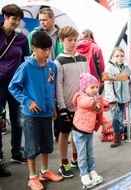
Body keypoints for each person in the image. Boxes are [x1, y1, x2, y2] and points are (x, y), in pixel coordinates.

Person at [8, 31, 63, 190]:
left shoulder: (52, 65)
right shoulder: (25, 66)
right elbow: (13, 87)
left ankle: (44, 172)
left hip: (47, 112)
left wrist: (53, 107)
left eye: (49, 49)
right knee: (32, 146)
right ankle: (32, 177)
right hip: (31, 115)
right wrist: (28, 101)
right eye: (43, 49)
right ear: (34, 47)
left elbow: (51, 87)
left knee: (46, 144)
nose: (47, 53)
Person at [54, 26, 89, 178]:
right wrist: (62, 107)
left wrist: (90, 98)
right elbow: (58, 86)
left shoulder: (83, 58)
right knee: (64, 133)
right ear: (61, 41)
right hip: (66, 104)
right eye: (69, 40)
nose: (73, 43)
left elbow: (87, 80)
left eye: (75, 40)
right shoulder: (59, 61)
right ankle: (63, 162)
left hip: (81, 104)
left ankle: (76, 158)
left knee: (78, 133)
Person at [0, 4, 29, 177]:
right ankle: (0, 158)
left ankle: (17, 152)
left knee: (17, 120)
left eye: (18, 19)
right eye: (13, 19)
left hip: (16, 85)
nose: (16, 22)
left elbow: (26, 61)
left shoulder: (21, 38)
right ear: (4, 16)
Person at [28, 7, 64, 143]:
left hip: (58, 70)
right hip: (42, 71)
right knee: (45, 98)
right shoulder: (34, 34)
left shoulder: (61, 34)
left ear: (52, 19)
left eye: (44, 19)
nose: (42, 22)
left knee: (58, 100)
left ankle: (58, 133)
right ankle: (45, 134)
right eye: (40, 20)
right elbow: (29, 54)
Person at [72, 73, 104, 188]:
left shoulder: (96, 98)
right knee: (82, 154)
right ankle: (84, 174)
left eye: (96, 87)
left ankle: (92, 171)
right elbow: (84, 103)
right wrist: (93, 101)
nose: (95, 89)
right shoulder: (81, 96)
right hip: (80, 131)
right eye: (92, 87)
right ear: (84, 88)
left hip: (89, 131)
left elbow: (99, 111)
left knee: (90, 153)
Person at [104, 47, 131, 148]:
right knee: (115, 118)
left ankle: (119, 132)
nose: (120, 58)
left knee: (120, 117)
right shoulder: (109, 68)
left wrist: (130, 96)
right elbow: (108, 83)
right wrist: (112, 99)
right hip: (114, 98)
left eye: (122, 56)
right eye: (117, 56)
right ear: (113, 57)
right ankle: (117, 134)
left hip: (124, 97)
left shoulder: (128, 68)